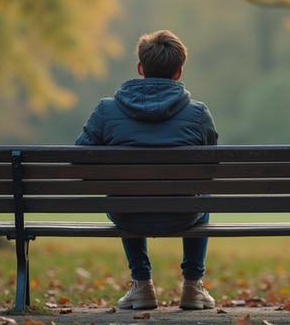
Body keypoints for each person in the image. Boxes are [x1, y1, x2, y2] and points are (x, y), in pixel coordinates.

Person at [75, 30, 219, 310]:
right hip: (184, 214)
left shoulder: (106, 110)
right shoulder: (198, 113)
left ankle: (142, 285)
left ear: (140, 69)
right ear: (178, 73)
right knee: (204, 196)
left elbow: (80, 158)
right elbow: (209, 169)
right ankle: (192, 286)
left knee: (126, 196)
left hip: (127, 214)